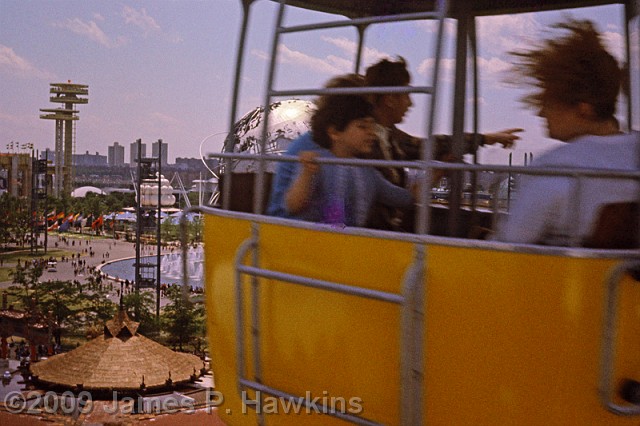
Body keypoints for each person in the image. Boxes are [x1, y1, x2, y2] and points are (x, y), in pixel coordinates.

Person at [493, 18, 639, 246]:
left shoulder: (551, 167)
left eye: (549, 103)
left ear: (584, 109)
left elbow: (509, 246)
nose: (541, 113)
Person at [363, 56, 522, 231]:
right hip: (378, 234)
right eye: (407, 94)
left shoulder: (389, 136)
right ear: (390, 99)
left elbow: (430, 146)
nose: (410, 103)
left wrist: (485, 139)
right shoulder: (366, 142)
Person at [267, 79, 414, 226]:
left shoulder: (367, 171)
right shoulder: (317, 159)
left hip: (344, 239)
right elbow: (293, 205)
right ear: (334, 132)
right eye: (362, 127)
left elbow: (401, 197)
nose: (372, 133)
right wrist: (307, 173)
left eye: (372, 127)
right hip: (299, 234)